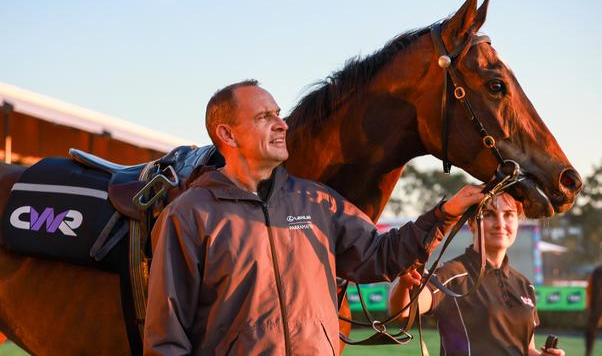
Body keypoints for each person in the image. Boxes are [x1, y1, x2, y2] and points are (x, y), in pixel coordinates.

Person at [143, 79, 485, 355]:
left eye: (278, 114)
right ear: (227, 134)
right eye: (265, 117)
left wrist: (443, 215)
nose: (282, 124)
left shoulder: (317, 201)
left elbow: (378, 256)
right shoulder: (188, 214)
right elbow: (166, 338)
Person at [388, 192, 566, 356]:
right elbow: (401, 311)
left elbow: (526, 348)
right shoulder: (452, 273)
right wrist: (405, 285)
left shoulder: (525, 285)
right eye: (489, 214)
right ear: (472, 223)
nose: (500, 224)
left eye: (508, 215)